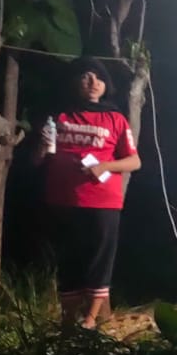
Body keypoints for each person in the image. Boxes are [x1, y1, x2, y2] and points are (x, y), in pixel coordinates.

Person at [33, 58, 143, 328]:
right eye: (86, 77)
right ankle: (68, 321)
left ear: (107, 85)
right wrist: (42, 147)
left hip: (103, 202)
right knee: (68, 261)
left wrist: (106, 165)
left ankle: (90, 321)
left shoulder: (115, 118)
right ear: (74, 82)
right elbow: (37, 161)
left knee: (99, 263)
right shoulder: (59, 117)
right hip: (62, 201)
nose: (93, 83)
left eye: (99, 78)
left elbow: (134, 161)